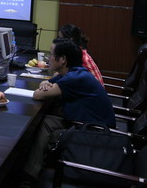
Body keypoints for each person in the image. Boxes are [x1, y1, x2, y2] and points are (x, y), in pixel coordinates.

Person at [20, 38, 115, 185]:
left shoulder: (74, 78)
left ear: (62, 59)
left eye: (51, 54)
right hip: (87, 123)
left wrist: (45, 86)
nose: (48, 58)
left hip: (95, 132)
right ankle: (30, 171)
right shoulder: (74, 72)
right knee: (47, 121)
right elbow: (48, 82)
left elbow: (38, 95)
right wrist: (46, 83)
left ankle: (29, 175)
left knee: (44, 123)